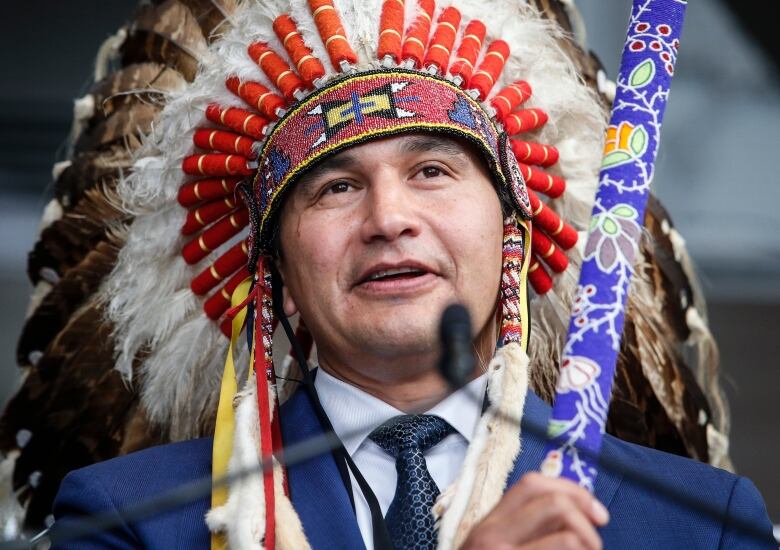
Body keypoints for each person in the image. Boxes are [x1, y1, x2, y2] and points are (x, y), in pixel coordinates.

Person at [48, 0, 776, 548]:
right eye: (335, 187)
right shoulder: (131, 519)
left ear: (512, 235)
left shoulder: (700, 523)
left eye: (432, 170)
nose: (388, 217)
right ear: (276, 272)